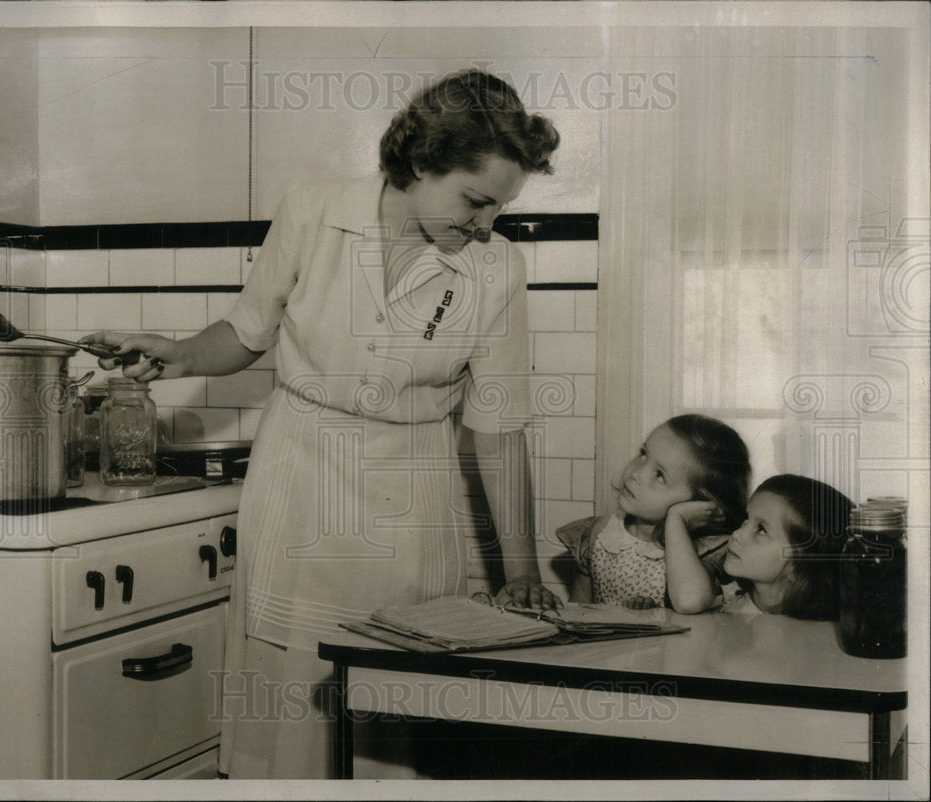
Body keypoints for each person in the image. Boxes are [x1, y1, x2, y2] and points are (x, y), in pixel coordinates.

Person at [83, 69, 561, 778]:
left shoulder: (497, 266)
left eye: (500, 206)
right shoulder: (312, 212)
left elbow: (497, 423)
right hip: (303, 478)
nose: (486, 223)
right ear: (424, 162)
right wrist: (180, 352)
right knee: (289, 712)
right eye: (476, 200)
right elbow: (246, 334)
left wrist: (521, 571)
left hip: (411, 503)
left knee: (394, 712)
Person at [557, 414, 751, 610]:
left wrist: (677, 519)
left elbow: (690, 601)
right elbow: (580, 614)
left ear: (700, 504)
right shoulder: (599, 534)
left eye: (659, 475)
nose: (636, 473)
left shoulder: (703, 552)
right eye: (643, 454)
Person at [668, 474, 854, 618]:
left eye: (761, 530)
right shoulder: (728, 592)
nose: (737, 534)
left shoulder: (814, 633)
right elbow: (688, 599)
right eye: (746, 520)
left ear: (798, 567)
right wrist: (676, 519)